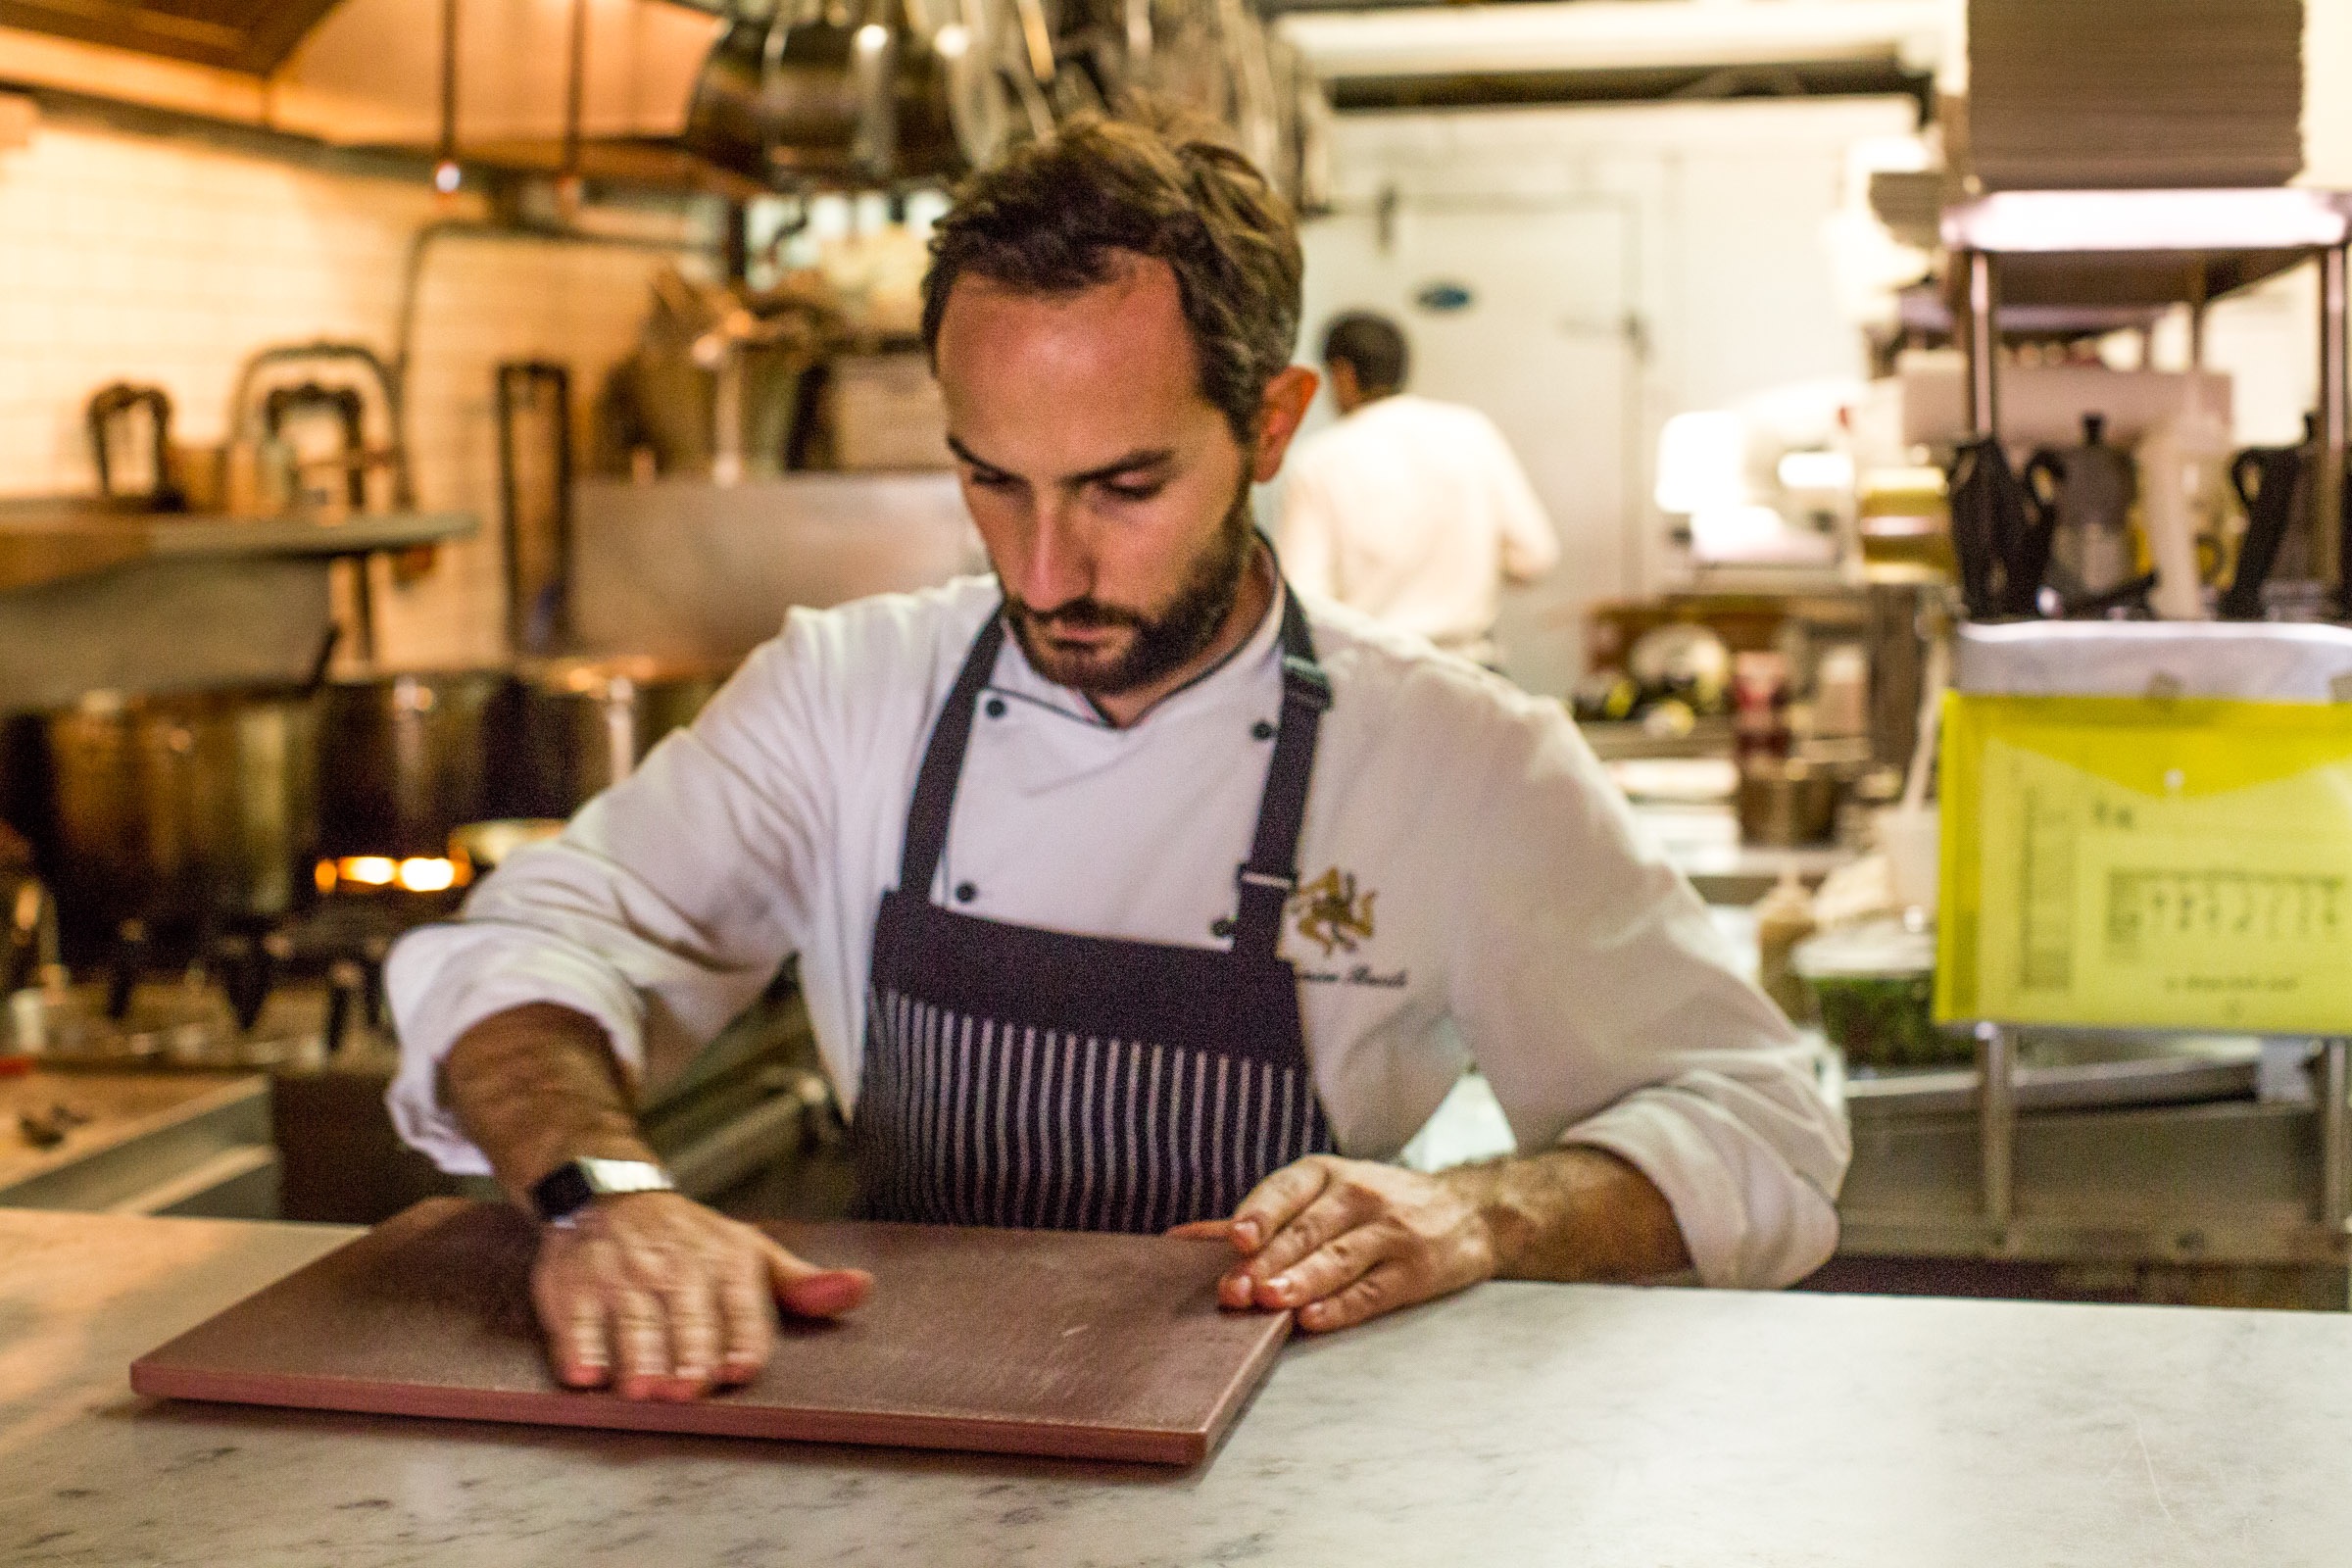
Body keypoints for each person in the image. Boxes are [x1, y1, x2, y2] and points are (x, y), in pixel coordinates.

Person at [385, 112, 1846, 1403]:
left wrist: (1481, 1215)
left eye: (1123, 487)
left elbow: (1762, 1128)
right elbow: (529, 946)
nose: (1047, 568)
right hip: (902, 1453)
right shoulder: (847, 692)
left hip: (1288, 1479)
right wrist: (602, 1194)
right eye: (990, 481)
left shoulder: (1459, 760)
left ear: (1272, 424)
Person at [1276, 312, 1560, 667]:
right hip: (1473, 673)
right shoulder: (1471, 432)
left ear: (1343, 374)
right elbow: (1535, 556)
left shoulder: (1318, 460)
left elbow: (1303, 602)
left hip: (1373, 681)